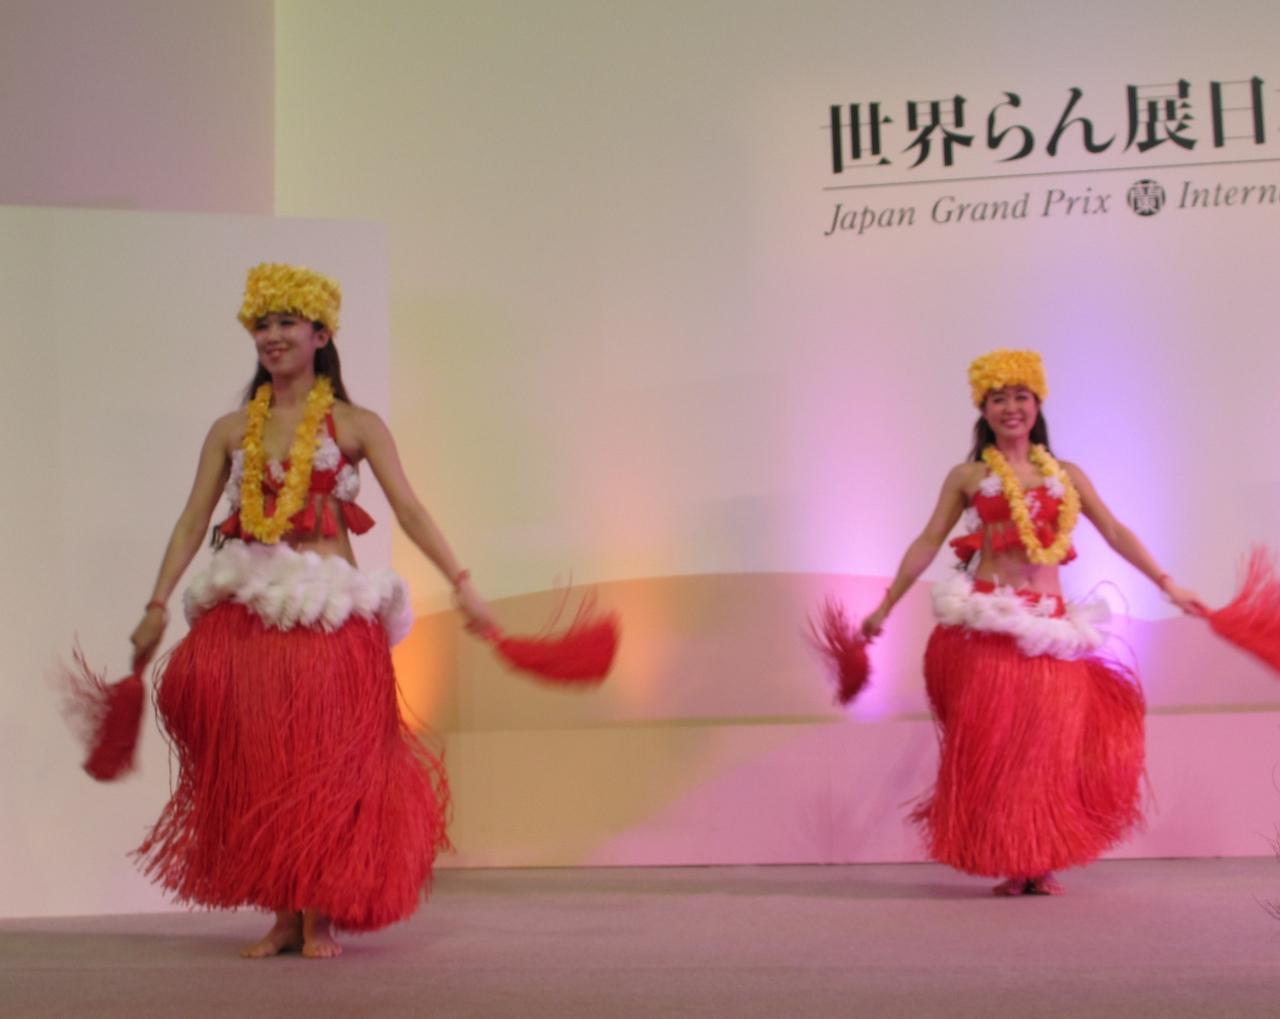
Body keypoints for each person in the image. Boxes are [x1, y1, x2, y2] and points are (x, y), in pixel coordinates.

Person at [128, 262, 494, 957]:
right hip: (251, 613)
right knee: (261, 762)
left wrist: (462, 581)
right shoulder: (231, 430)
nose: (271, 336)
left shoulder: (355, 425)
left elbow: (410, 509)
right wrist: (156, 601)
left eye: (286, 323)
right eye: (262, 325)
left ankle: (318, 913)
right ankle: (280, 912)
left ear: (320, 334)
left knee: (324, 764)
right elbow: (192, 520)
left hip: (330, 615)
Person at [858, 349, 1207, 895]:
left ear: (1037, 404)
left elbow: (1115, 532)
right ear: (983, 410)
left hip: (1051, 629)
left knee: (1046, 748)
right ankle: (1011, 856)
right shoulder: (969, 476)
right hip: (990, 623)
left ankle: (1038, 860)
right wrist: (885, 606)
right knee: (999, 747)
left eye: (1020, 396)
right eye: (998, 399)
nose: (1010, 408)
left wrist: (1168, 583)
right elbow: (928, 541)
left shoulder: (1066, 475)